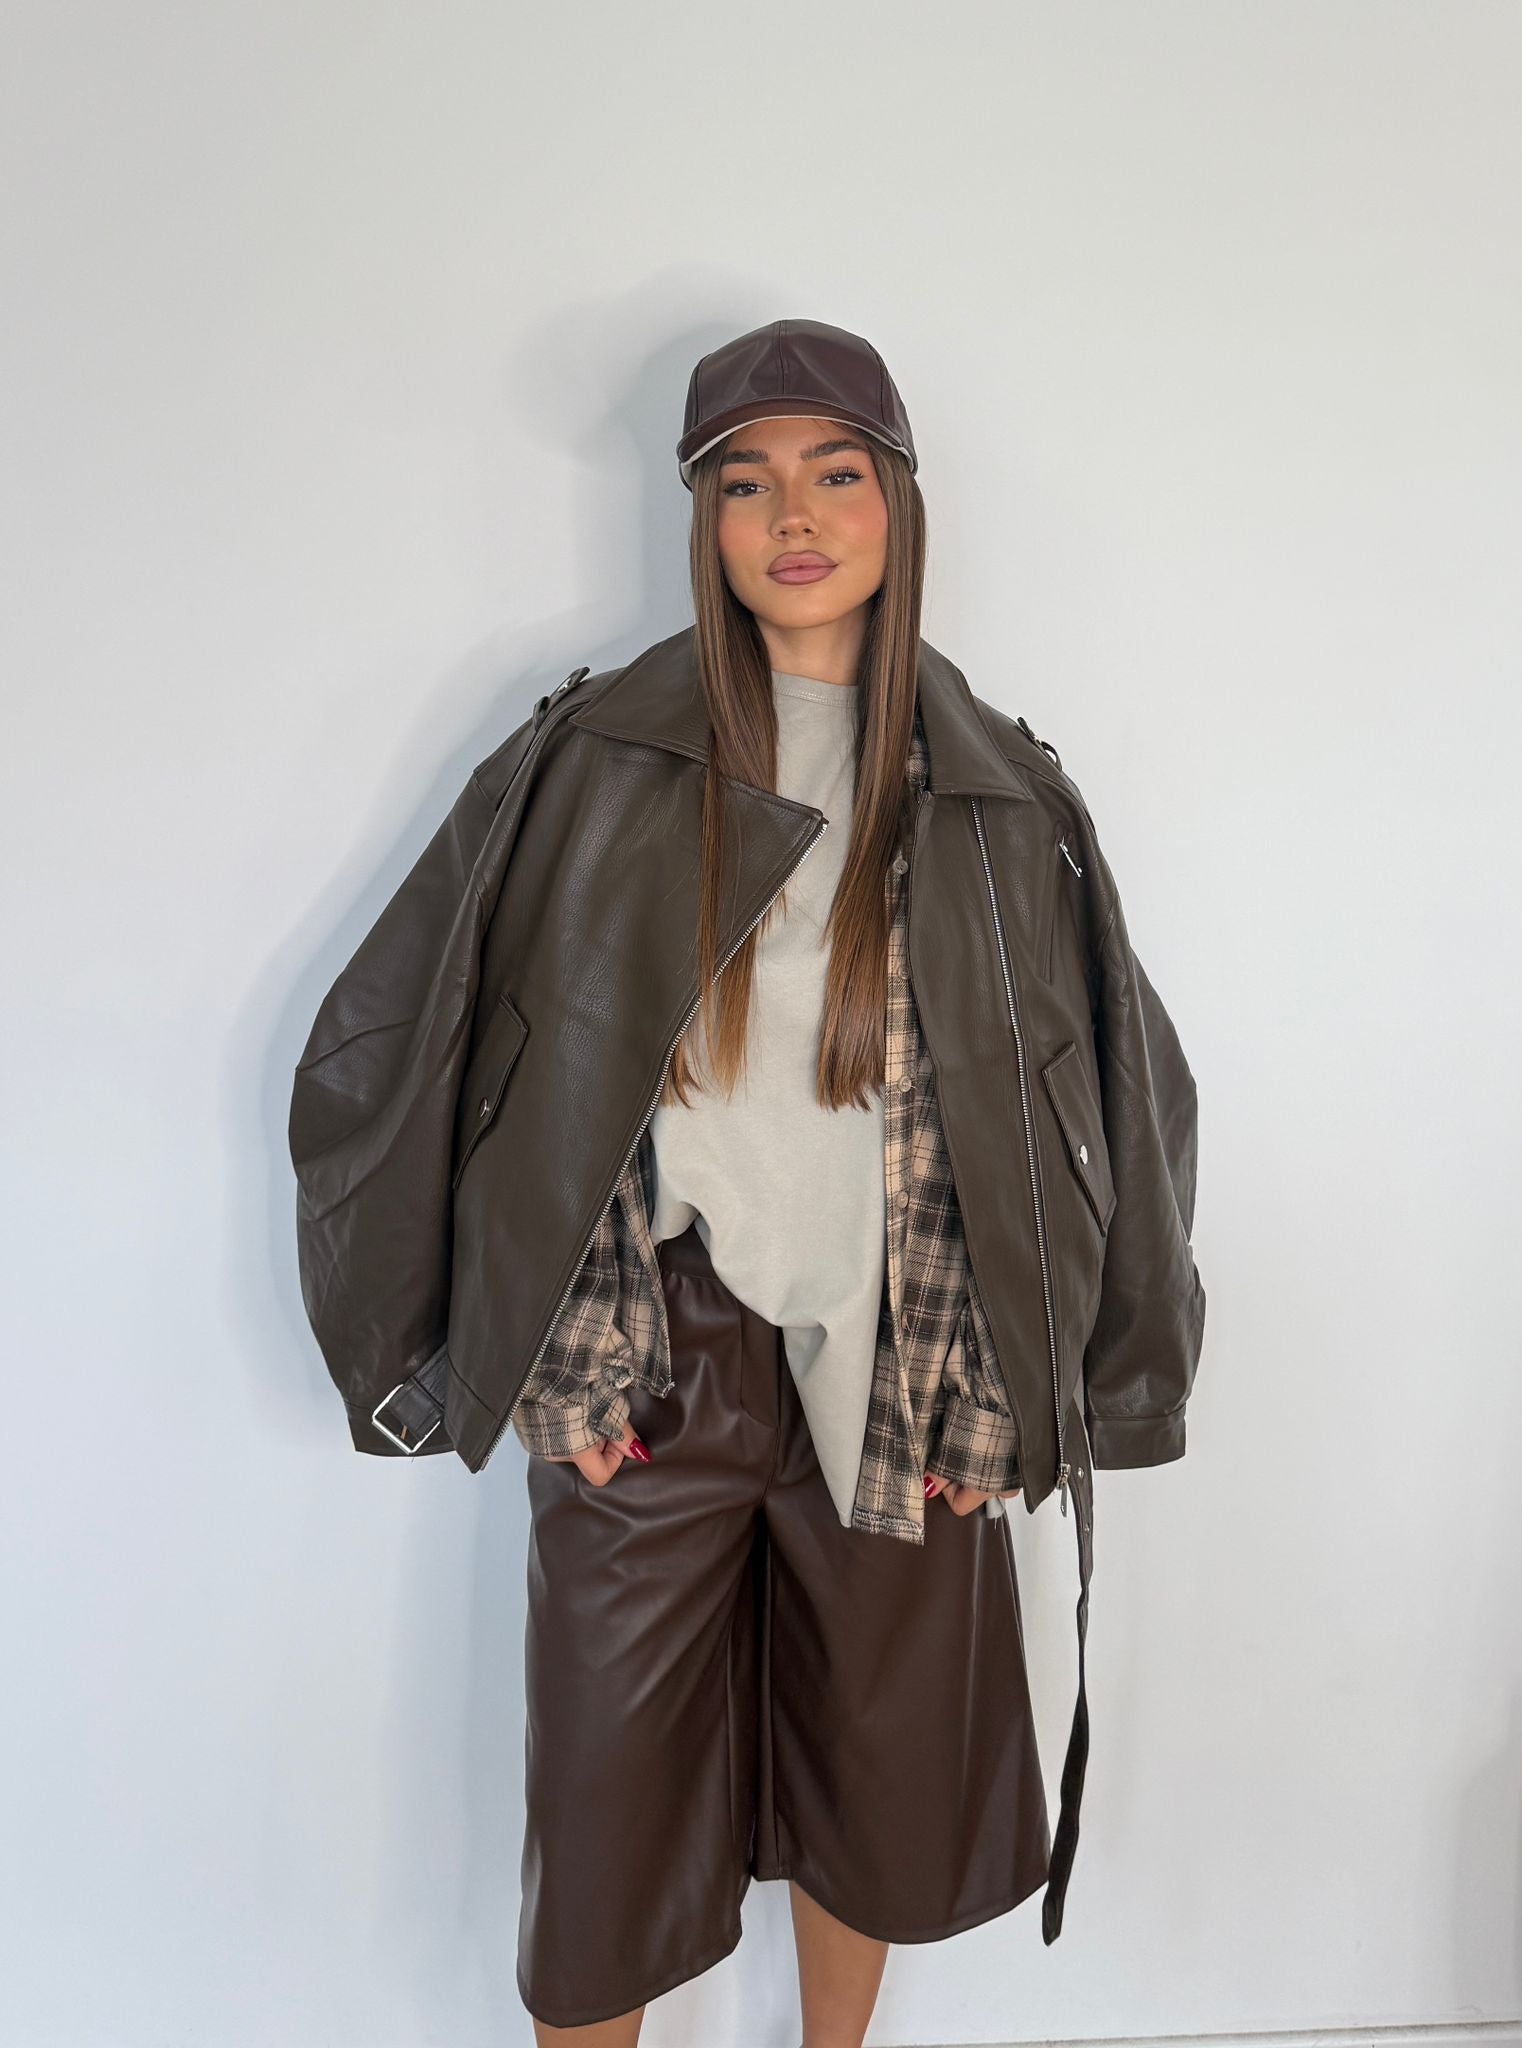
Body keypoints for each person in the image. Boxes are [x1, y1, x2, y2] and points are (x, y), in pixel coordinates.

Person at [288, 317, 1208, 2047]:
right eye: (744, 481)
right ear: (701, 519)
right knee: (606, 1822)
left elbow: (1111, 1102)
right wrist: (536, 1358)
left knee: (878, 1780)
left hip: (903, 1357)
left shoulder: (996, 786)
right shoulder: (595, 756)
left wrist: (1023, 1382)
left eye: (835, 472)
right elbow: (419, 1036)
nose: (792, 515)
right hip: (651, 1353)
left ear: (898, 502)